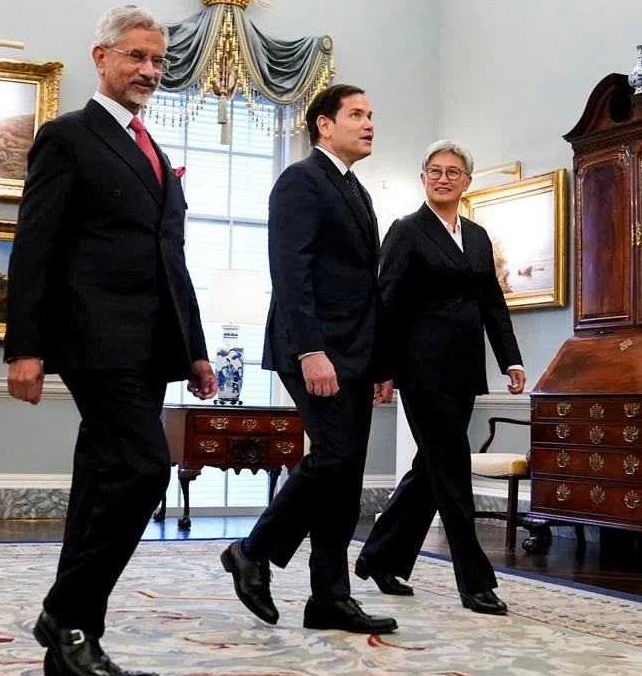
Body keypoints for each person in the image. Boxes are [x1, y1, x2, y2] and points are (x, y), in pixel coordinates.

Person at [4, 4, 216, 676]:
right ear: (102, 58)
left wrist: (195, 350)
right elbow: (35, 245)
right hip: (95, 340)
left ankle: (74, 645)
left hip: (151, 345)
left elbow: (172, 257)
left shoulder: (153, 149)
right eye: (136, 57)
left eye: (157, 61)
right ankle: (63, 613)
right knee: (144, 468)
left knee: (100, 485)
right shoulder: (68, 137)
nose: (149, 71)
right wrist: (26, 347)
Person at [220, 83, 398, 635]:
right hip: (314, 347)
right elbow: (289, 272)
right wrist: (311, 351)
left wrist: (381, 362)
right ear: (324, 124)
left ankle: (330, 597)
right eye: (357, 114)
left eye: (372, 114)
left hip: (358, 353)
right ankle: (253, 550)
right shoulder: (299, 181)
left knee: (345, 478)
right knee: (335, 459)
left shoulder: (358, 191)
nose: (369, 123)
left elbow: (368, 286)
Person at [354, 140, 524, 616]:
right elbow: (387, 303)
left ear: (467, 182)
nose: (443, 178)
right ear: (423, 178)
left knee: (430, 471)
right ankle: (474, 581)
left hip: (466, 368)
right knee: (450, 470)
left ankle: (379, 556)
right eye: (435, 171)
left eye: (453, 172)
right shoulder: (407, 231)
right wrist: (382, 369)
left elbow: (493, 303)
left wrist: (510, 359)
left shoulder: (477, 236)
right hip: (421, 368)